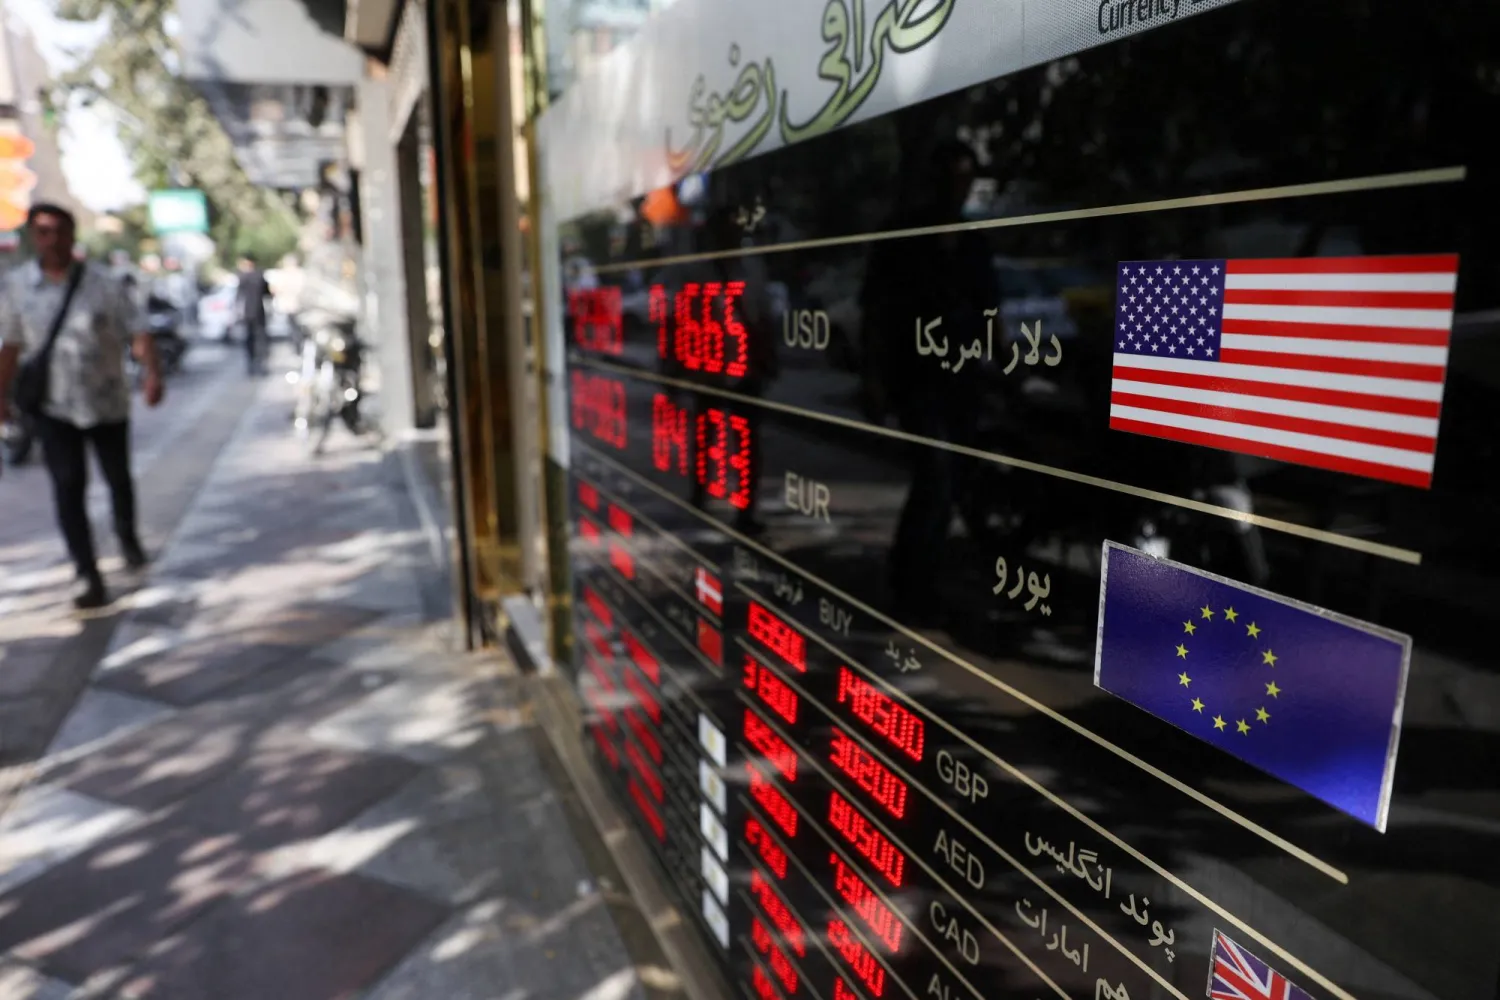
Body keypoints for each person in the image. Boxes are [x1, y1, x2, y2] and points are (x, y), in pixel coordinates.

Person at [0, 203, 163, 609]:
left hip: (107, 401)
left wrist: (152, 373)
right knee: (68, 487)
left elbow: (137, 331)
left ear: (73, 236)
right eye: (43, 232)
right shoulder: (17, 287)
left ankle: (127, 537)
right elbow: (11, 345)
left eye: (59, 231)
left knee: (117, 478)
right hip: (54, 407)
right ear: (33, 238)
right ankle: (86, 572)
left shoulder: (104, 283)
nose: (52, 240)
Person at [236, 254, 272, 375]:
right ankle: (260, 365)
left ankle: (251, 365)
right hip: (258, 311)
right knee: (260, 339)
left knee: (250, 340)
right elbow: (268, 293)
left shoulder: (242, 277)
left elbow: (238, 297)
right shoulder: (259, 276)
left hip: (248, 313)